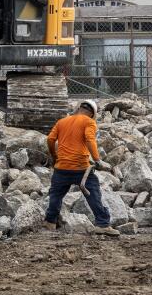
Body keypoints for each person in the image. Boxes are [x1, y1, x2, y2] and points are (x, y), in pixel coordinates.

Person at [44, 99, 120, 236]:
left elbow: (50, 139)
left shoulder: (62, 122)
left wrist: (54, 156)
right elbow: (90, 139)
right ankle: (102, 224)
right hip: (81, 169)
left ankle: (50, 223)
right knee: (93, 191)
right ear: (92, 114)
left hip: (61, 168)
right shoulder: (89, 122)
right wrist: (97, 160)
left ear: (79, 108)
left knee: (56, 195)